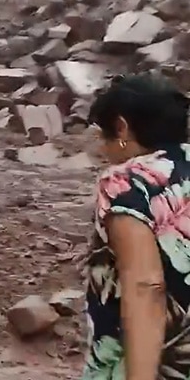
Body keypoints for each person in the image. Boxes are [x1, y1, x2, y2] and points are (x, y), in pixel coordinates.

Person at [83, 73, 190, 379]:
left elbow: (146, 286)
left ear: (121, 128)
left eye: (102, 135)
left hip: (157, 360)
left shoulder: (127, 183)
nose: (103, 149)